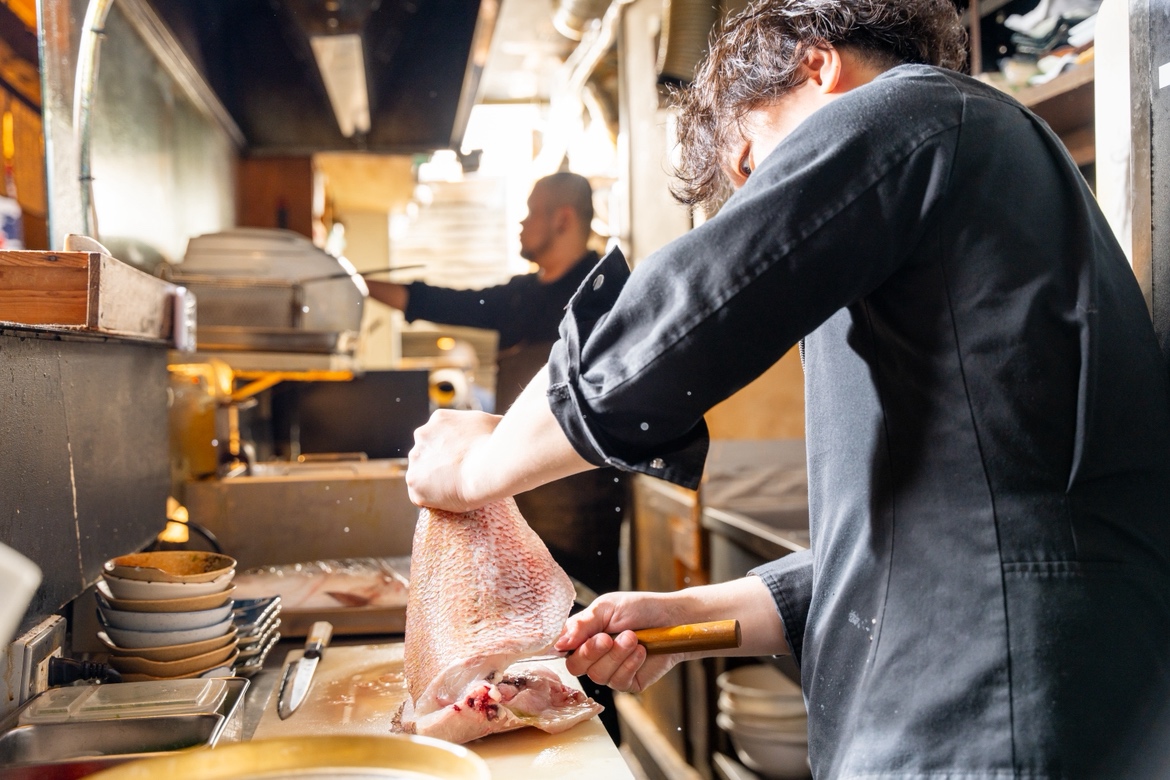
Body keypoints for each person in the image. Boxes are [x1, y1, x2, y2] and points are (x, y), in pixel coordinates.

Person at [403, 0, 1170, 777]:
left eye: (748, 161)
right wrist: (690, 614)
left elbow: (685, 315)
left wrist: (477, 467)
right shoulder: (970, 179)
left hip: (989, 726)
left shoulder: (917, 113)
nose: (758, 200)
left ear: (818, 66)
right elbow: (930, 545)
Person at [367, 172, 629, 738]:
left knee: (580, 638)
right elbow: (438, 300)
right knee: (506, 650)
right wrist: (361, 284)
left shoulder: (603, 289)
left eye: (530, 212)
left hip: (577, 507)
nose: (520, 222)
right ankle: (508, 714)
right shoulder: (522, 295)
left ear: (562, 218)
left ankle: (597, 745)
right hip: (507, 499)